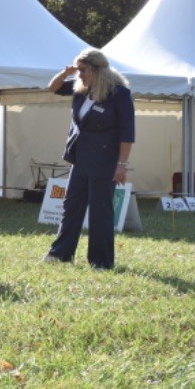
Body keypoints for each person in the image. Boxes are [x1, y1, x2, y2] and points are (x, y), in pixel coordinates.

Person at [42, 48, 135, 270]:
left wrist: (121, 166)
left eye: (83, 70)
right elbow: (52, 88)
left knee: (100, 211)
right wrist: (66, 72)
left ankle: (101, 261)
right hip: (80, 157)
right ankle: (61, 253)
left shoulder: (119, 94)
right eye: (78, 71)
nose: (79, 75)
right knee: (71, 206)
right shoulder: (81, 89)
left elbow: (127, 134)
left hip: (105, 161)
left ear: (96, 70)